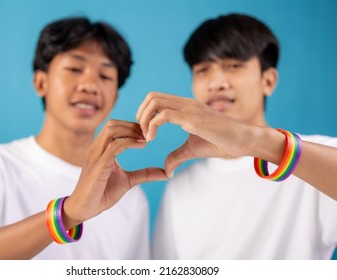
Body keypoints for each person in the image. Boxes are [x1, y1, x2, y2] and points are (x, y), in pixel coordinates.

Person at [0, 17, 166, 259]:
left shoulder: (130, 198)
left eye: (105, 76)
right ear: (41, 82)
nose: (90, 85)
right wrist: (67, 214)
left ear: (114, 98)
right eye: (74, 69)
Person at [136, 13, 337, 259]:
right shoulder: (179, 186)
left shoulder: (317, 157)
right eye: (203, 70)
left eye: (234, 66)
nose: (216, 83)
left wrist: (256, 142)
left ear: (268, 80)